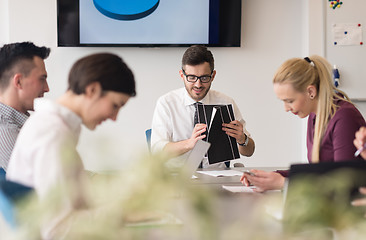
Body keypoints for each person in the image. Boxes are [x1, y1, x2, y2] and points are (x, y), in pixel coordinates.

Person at [6, 53, 136, 238]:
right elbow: (58, 229)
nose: (114, 118)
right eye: (115, 105)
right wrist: (122, 213)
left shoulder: (52, 127)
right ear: (92, 90)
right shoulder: (52, 134)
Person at [241, 55, 366, 192]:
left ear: (311, 92)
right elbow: (317, 172)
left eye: (289, 101)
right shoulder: (314, 116)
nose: (286, 108)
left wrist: (285, 183)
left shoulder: (345, 117)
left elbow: (344, 184)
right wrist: (273, 176)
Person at [151, 45, 255, 168]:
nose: (198, 84)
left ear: (213, 76)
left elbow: (249, 151)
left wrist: (242, 139)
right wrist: (189, 144)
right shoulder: (167, 103)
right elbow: (156, 152)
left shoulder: (226, 102)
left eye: (204, 78)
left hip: (217, 178)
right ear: (182, 75)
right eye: (192, 77)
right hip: (178, 180)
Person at [0, 42, 50, 171]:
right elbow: (51, 182)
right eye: (42, 79)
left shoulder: (20, 126)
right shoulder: (6, 131)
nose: (47, 88)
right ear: (19, 81)